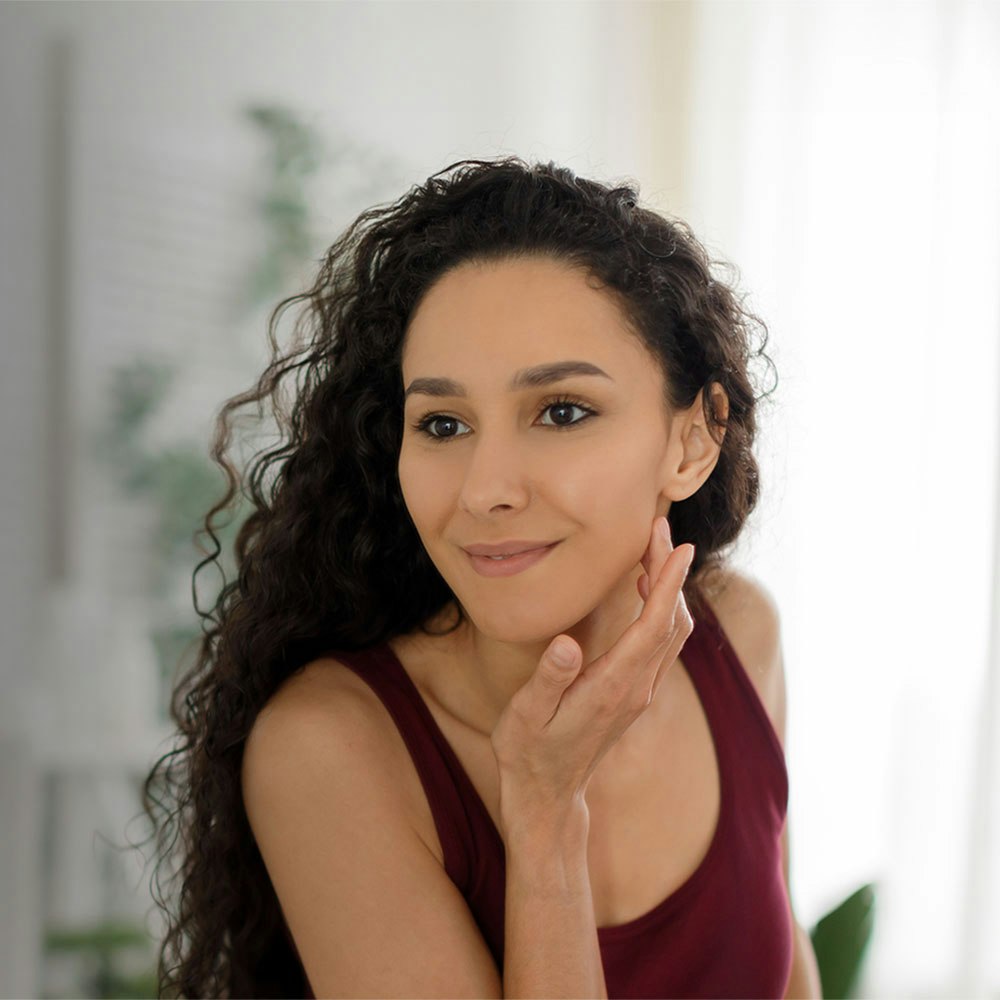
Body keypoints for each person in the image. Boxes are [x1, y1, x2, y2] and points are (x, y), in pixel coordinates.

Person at [142, 156, 822, 998]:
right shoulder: (332, 749)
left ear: (692, 440)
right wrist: (542, 815)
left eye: (562, 411)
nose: (485, 490)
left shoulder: (739, 633)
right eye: (443, 423)